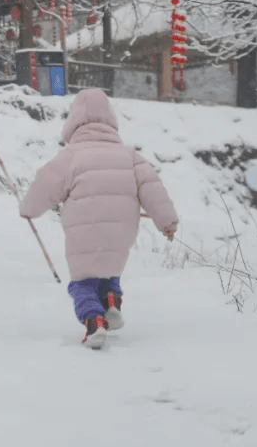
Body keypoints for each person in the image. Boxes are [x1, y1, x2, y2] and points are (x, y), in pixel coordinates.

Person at [20, 88, 178, 349]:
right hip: (121, 230)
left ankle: (94, 322)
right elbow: (153, 189)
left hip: (83, 231)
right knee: (108, 270)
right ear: (111, 121)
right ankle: (112, 301)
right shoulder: (130, 157)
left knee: (83, 282)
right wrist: (167, 223)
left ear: (72, 123)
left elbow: (45, 186)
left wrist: (29, 209)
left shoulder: (70, 156)